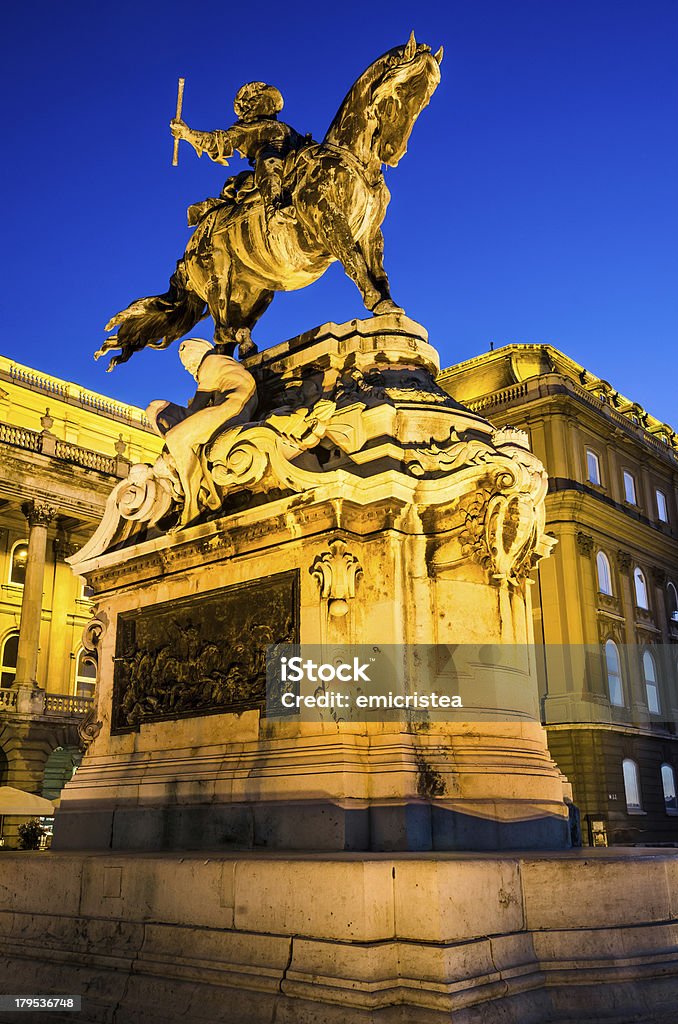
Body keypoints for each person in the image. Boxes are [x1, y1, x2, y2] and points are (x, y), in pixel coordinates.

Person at [146, 339, 258, 526]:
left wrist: (169, 435)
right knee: (156, 410)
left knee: (176, 438)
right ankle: (183, 468)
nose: (188, 369)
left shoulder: (211, 362)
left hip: (231, 409)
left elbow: (196, 408)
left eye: (190, 363)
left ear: (201, 354)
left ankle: (192, 503)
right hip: (229, 407)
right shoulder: (218, 369)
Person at [171, 81, 307, 225]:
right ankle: (274, 208)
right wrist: (188, 134)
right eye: (265, 99)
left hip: (295, 162)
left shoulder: (287, 129)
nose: (273, 106)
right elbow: (219, 141)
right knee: (270, 161)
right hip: (270, 168)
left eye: (272, 101)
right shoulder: (246, 129)